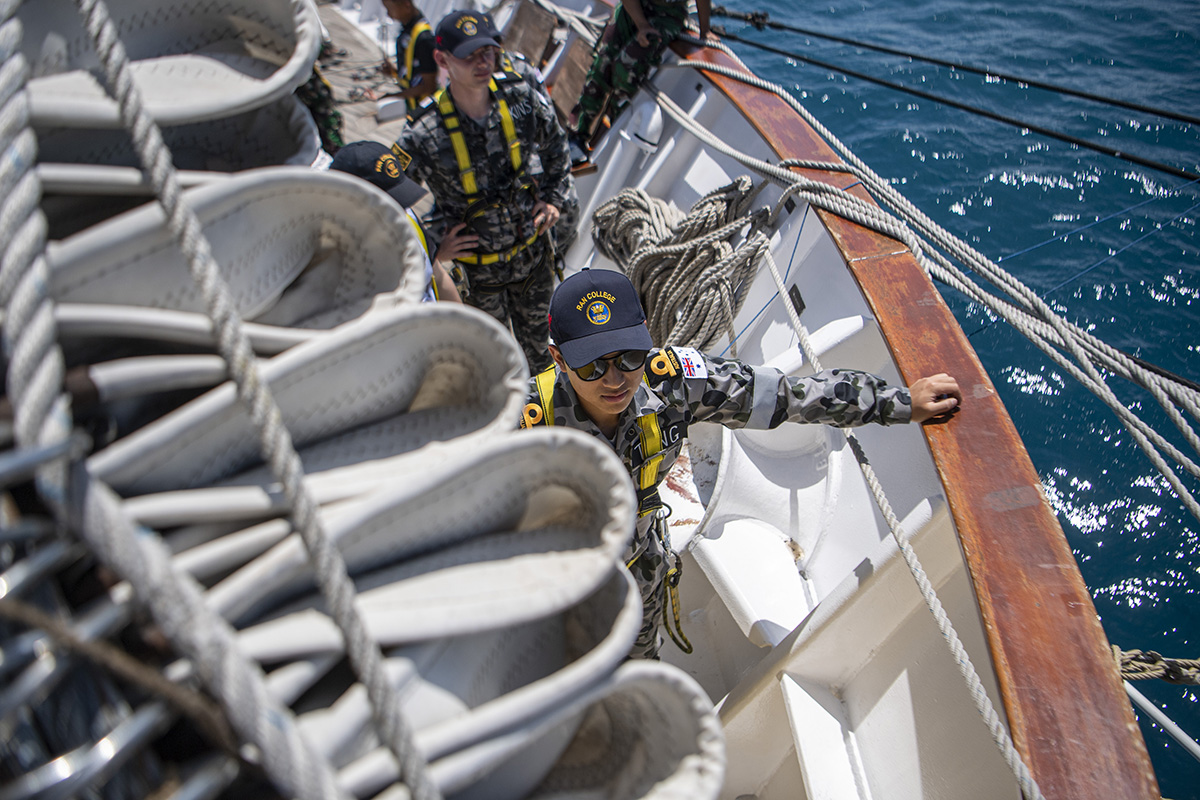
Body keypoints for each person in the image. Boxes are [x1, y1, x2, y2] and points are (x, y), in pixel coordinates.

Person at [520, 269, 962, 659]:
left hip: (642, 568)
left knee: (638, 663)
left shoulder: (671, 382)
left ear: (646, 337)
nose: (616, 380)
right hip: (563, 590)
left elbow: (787, 397)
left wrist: (897, 403)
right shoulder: (519, 423)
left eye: (629, 358)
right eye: (594, 366)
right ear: (559, 359)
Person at [395, 10, 579, 371]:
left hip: (532, 261)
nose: (482, 62)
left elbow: (558, 149)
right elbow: (390, 202)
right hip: (477, 276)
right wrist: (433, 248)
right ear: (441, 59)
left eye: (488, 51)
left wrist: (553, 199)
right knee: (488, 360)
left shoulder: (521, 99)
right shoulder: (422, 132)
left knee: (544, 356)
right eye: (469, 56)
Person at [568, 0, 715, 165]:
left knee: (625, 71)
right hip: (633, 6)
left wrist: (705, 31)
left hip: (667, 14)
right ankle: (577, 135)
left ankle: (610, 137)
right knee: (602, 66)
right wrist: (641, 24)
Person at [329, 140, 465, 303]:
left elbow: (438, 276)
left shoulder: (407, 218)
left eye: (399, 199)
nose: (400, 211)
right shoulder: (334, 265)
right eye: (388, 204)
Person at [370, 0, 438, 113]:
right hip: (411, 105)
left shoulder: (424, 39)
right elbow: (415, 75)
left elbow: (429, 86)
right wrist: (394, 72)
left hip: (424, 110)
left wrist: (393, 97)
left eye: (389, 9)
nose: (388, 14)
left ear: (407, 5)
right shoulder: (408, 30)